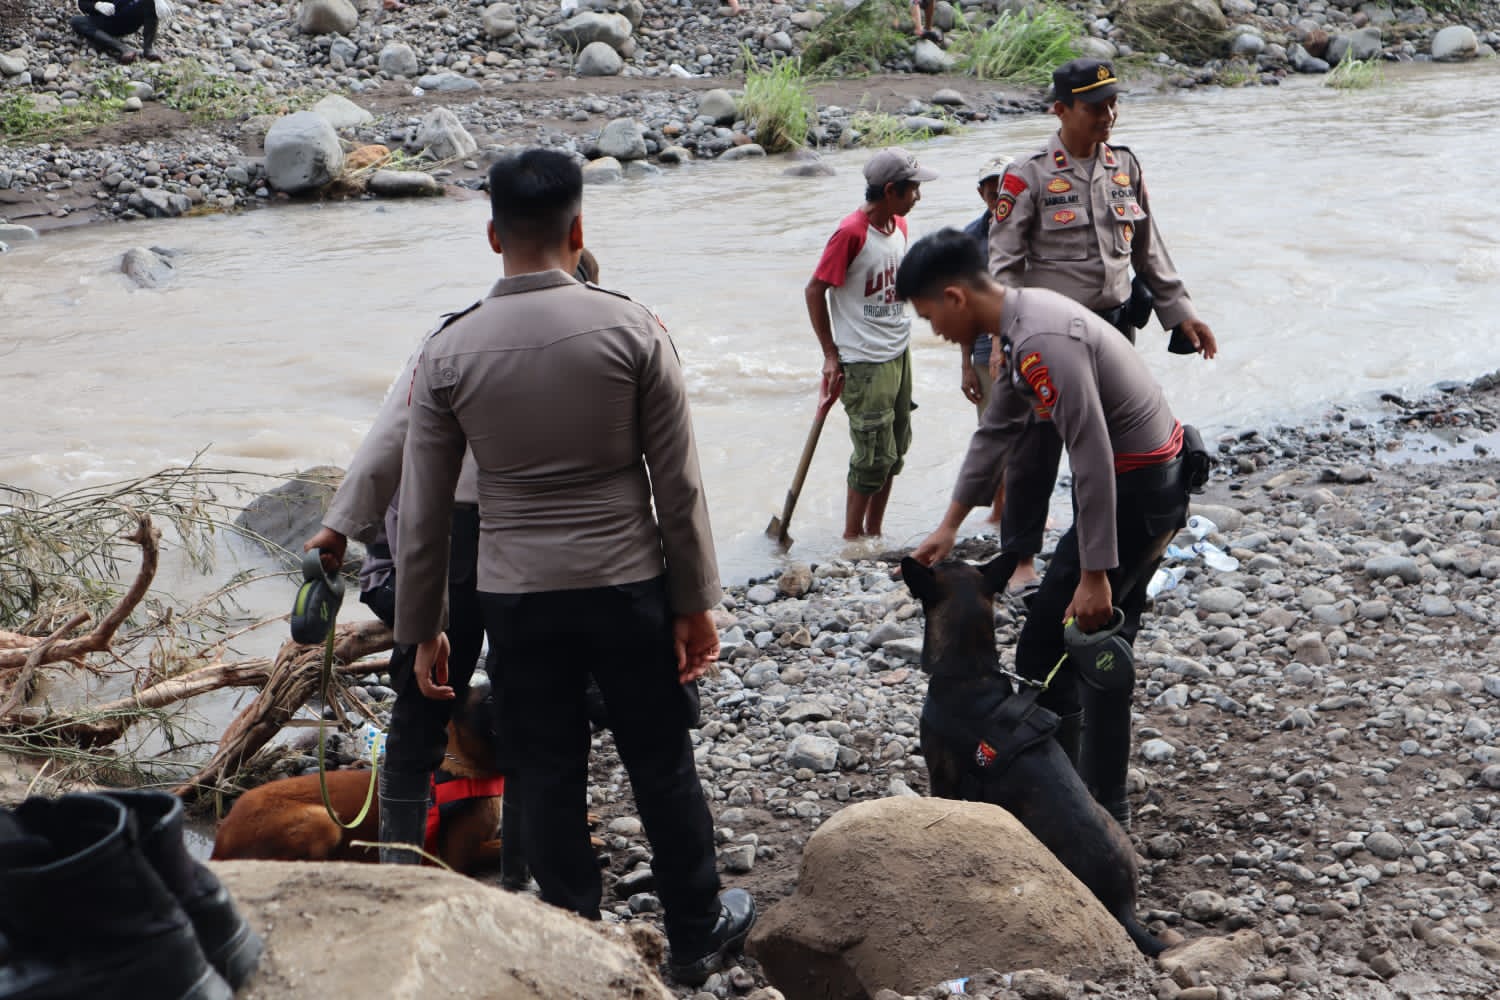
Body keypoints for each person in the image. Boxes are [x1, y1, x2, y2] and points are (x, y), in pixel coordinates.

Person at [394, 148, 753, 987]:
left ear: (492, 236)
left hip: (516, 596)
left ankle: (576, 939)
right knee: (660, 756)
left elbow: (423, 507)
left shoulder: (450, 352)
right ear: (579, 228)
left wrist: (425, 628)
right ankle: (697, 930)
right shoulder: (633, 329)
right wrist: (696, 602)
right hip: (627, 583)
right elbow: (682, 485)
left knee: (547, 765)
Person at [303, 248, 602, 883]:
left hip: (453, 536)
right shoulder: (606, 334)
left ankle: (404, 878)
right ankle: (516, 877)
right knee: (526, 705)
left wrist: (339, 525)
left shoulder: (456, 332)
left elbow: (393, 429)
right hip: (535, 543)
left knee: (426, 702)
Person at [901, 228, 1193, 829]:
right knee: (1088, 646)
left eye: (930, 316)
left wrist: (1093, 574)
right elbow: (997, 430)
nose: (936, 332)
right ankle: (1090, 798)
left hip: (1138, 491)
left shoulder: (1039, 340)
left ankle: (1085, 808)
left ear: (955, 297)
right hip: (1143, 485)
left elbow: (1088, 454)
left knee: (1056, 646)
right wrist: (950, 525)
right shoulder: (1019, 320)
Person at [987, 57, 1217, 597]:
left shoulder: (1125, 168)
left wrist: (1180, 313)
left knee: (1115, 448)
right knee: (1036, 447)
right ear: (1061, 109)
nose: (1108, 115)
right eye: (1095, 107)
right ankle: (1021, 558)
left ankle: (1100, 555)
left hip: (1114, 333)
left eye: (1113, 104)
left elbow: (1148, 249)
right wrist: (1003, 336)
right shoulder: (1028, 175)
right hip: (1047, 338)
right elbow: (1000, 266)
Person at [805, 146, 936, 540]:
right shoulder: (850, 233)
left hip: (898, 350)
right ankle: (851, 538)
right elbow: (815, 290)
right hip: (863, 360)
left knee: (895, 449)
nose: (918, 196)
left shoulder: (901, 228)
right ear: (891, 190)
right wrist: (830, 355)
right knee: (870, 457)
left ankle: (874, 534)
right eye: (913, 189)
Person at [960, 155, 1014, 526]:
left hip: (1028, 341)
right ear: (981, 194)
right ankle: (1000, 511)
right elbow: (964, 307)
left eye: (1006, 191)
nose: (999, 199)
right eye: (993, 192)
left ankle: (1021, 509)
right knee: (993, 431)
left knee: (1031, 432)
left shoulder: (1032, 227)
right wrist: (965, 364)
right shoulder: (970, 239)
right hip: (983, 349)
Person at [69, 0, 161, 64]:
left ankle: (148, 49)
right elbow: (82, 4)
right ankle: (122, 48)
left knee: (151, 3)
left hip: (128, 18)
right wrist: (96, 5)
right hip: (104, 22)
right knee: (76, 21)